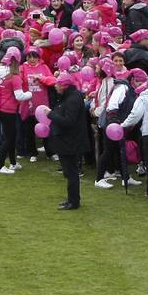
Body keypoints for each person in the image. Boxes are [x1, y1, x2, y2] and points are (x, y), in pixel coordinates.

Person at [49, 74, 87, 210]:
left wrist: (50, 114)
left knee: (71, 172)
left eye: (58, 84)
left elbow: (69, 121)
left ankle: (73, 201)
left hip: (71, 141)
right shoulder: (70, 97)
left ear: (64, 85)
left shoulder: (72, 99)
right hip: (68, 140)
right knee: (70, 172)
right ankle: (72, 199)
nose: (55, 86)